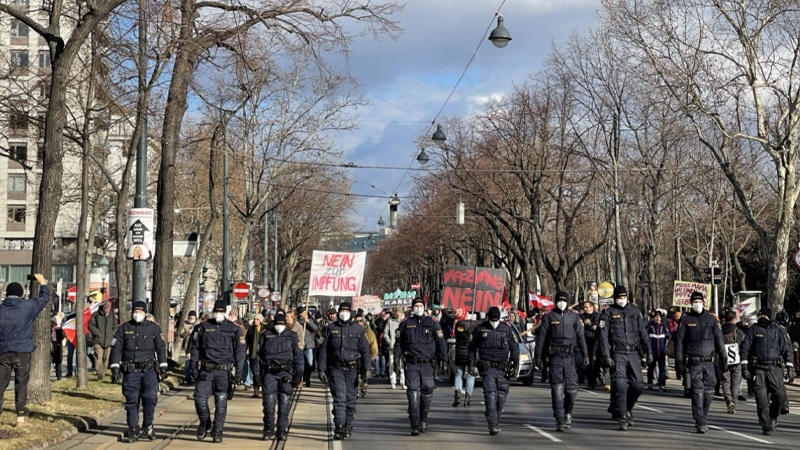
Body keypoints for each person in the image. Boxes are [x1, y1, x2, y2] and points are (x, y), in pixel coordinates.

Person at [109, 301, 168, 442]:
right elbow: (116, 348)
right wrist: (114, 367)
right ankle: (133, 429)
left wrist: (164, 366)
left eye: (141, 312)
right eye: (135, 311)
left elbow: (160, 348)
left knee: (149, 398)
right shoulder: (124, 328)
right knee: (132, 400)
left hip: (149, 370)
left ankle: (148, 426)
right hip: (131, 371)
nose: (137, 314)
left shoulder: (153, 329)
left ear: (145, 313)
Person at [190, 300, 246, 443]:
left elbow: (240, 352)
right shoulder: (203, 327)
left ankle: (217, 431)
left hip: (223, 371)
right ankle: (205, 422)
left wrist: (239, 372)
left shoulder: (234, 329)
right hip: (206, 370)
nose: (218, 314)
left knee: (221, 402)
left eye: (221, 312)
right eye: (216, 311)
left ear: (225, 313)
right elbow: (195, 347)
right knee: (199, 399)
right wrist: (193, 366)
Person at [597, 285, 649, 431]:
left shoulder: (634, 311)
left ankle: (625, 407)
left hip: (633, 353)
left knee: (638, 385)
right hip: (617, 353)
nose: (622, 300)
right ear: (615, 298)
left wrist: (648, 351)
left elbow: (642, 332)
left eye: (624, 297)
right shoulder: (608, 312)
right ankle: (622, 415)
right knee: (619, 385)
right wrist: (605, 355)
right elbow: (602, 336)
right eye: (619, 297)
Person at [0, 274, 50, 428]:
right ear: (21, 294)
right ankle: (20, 416)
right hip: (22, 351)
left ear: (7, 294)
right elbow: (44, 299)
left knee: (1, 384)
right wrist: (42, 283)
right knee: (21, 383)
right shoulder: (27, 307)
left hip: (3, 351)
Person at [534, 292, 587, 432]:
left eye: (564, 300)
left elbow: (581, 337)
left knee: (571, 390)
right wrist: (537, 356)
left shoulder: (574, 317)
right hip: (555, 358)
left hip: (570, 358)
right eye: (559, 300)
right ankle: (559, 419)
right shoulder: (549, 317)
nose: (561, 303)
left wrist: (586, 354)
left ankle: (568, 412)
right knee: (557, 391)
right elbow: (541, 338)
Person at [395, 298, 448, 436]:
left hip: (427, 365)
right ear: (412, 308)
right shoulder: (406, 324)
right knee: (413, 393)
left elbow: (440, 342)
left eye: (420, 305)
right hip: (412, 364)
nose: (418, 308)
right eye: (416, 305)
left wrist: (443, 359)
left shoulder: (432, 323)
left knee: (428, 390)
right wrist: (396, 361)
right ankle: (415, 423)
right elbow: (398, 345)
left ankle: (423, 417)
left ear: (424, 307)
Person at [317, 302, 370, 440]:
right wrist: (321, 369)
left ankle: (347, 424)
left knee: (350, 399)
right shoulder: (330, 328)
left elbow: (365, 350)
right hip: (336, 369)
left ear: (350, 313)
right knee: (339, 398)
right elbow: (324, 350)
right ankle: (339, 427)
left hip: (352, 370)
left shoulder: (358, 330)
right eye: (342, 311)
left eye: (346, 311)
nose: (344, 313)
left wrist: (366, 369)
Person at [674, 291, 726, 433]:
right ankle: (700, 421)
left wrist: (724, 357)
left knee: (709, 391)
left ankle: (702, 415)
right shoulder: (685, 320)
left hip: (710, 362)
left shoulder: (711, 320)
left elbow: (719, 340)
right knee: (697, 392)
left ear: (704, 303)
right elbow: (679, 341)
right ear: (691, 303)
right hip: (694, 363)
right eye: (695, 301)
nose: (697, 304)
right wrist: (679, 359)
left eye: (699, 301)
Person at [740, 306, 794, 435]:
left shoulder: (777, 331)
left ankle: (773, 417)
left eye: (765, 316)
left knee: (780, 396)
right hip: (758, 370)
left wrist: (790, 367)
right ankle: (765, 425)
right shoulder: (753, 330)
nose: (762, 318)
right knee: (762, 400)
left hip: (774, 369)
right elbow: (744, 349)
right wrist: (744, 366)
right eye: (760, 316)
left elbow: (787, 349)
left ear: (769, 317)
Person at [257, 311, 303, 441]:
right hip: (270, 373)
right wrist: (257, 374)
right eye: (277, 323)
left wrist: (299, 375)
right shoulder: (266, 335)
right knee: (269, 404)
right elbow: (259, 356)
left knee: (284, 404)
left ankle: (281, 430)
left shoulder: (292, 336)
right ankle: (268, 430)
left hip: (286, 373)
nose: (279, 326)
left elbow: (298, 357)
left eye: (282, 323)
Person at [720, 310, 745, 414]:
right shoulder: (738, 332)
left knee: (725, 381)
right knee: (735, 382)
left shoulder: (719, 330)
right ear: (734, 319)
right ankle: (734, 401)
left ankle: (728, 400)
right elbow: (744, 344)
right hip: (736, 359)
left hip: (724, 359)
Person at [451, 308, 476, 407]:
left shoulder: (458, 324)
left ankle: (457, 394)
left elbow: (456, 336)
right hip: (471, 354)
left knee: (458, 375)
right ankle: (468, 398)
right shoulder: (474, 324)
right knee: (471, 375)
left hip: (460, 353)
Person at [88, 300, 118, 381]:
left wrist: (112, 333)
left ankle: (103, 372)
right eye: (106, 308)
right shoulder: (96, 315)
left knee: (106, 358)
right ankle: (99, 372)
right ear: (103, 308)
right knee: (98, 357)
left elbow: (115, 326)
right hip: (98, 340)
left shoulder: (112, 316)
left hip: (108, 340)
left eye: (108, 308)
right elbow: (90, 325)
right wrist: (97, 333)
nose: (107, 310)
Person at [355, 313, 378, 398]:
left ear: (364, 322)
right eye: (356, 321)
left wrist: (374, 354)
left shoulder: (368, 332)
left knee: (364, 374)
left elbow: (373, 343)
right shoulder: (351, 330)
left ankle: (363, 388)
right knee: (355, 374)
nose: (358, 322)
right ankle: (356, 389)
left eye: (360, 321)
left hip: (365, 356)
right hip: (354, 356)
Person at [646, 312, 670, 392]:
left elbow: (668, 335)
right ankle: (650, 384)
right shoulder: (649, 327)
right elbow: (644, 336)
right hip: (652, 352)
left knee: (662, 369)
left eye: (659, 317)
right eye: (656, 317)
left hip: (662, 351)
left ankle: (662, 385)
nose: (657, 319)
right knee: (651, 368)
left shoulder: (664, 327)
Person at [384, 307, 406, 390]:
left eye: (399, 313)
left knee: (402, 364)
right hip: (393, 347)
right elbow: (385, 333)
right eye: (397, 312)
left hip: (403, 347)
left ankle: (403, 382)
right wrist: (390, 342)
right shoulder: (390, 321)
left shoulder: (405, 322)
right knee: (392, 364)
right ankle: (393, 381)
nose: (398, 314)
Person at [580, 300, 600, 389]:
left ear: (592, 307)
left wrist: (589, 323)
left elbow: (595, 327)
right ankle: (586, 380)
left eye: (587, 307)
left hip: (594, 341)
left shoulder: (597, 315)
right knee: (584, 362)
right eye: (584, 307)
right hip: (583, 341)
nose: (585, 309)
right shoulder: (581, 316)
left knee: (593, 363)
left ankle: (594, 380)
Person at [296, 306, 318, 387]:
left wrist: (308, 322)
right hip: (299, 345)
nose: (304, 313)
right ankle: (300, 380)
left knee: (309, 364)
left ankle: (307, 378)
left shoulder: (311, 320)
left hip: (309, 345)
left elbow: (315, 328)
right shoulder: (297, 321)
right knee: (300, 363)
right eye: (302, 312)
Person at [245, 313, 264, 398]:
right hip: (254, 354)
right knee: (255, 372)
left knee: (263, 372)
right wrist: (245, 350)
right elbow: (247, 341)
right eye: (255, 319)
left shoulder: (265, 329)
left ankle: (264, 389)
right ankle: (256, 390)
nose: (256, 321)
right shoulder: (251, 329)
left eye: (257, 319)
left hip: (263, 354)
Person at [180, 311, 198, 386]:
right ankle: (187, 378)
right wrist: (187, 332)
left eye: (193, 317)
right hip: (187, 346)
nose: (191, 319)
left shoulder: (198, 324)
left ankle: (195, 377)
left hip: (196, 347)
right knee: (187, 363)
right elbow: (181, 334)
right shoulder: (185, 324)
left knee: (195, 363)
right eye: (190, 317)